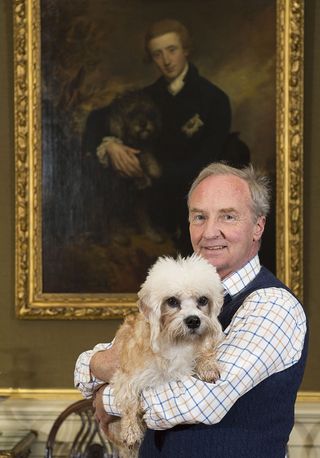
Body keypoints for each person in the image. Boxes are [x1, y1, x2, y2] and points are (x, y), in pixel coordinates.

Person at [74, 162, 307, 457]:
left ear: (258, 226)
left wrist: (107, 399)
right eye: (200, 217)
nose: (210, 232)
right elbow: (90, 366)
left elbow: (198, 402)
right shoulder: (175, 291)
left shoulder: (273, 306)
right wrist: (99, 364)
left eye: (228, 216)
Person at [81, 19, 232, 252]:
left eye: (172, 50)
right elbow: (96, 120)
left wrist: (155, 172)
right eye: (157, 55)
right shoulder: (147, 96)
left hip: (191, 204)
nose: (166, 60)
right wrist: (110, 145)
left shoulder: (214, 99)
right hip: (149, 206)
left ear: (186, 49)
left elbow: (207, 163)